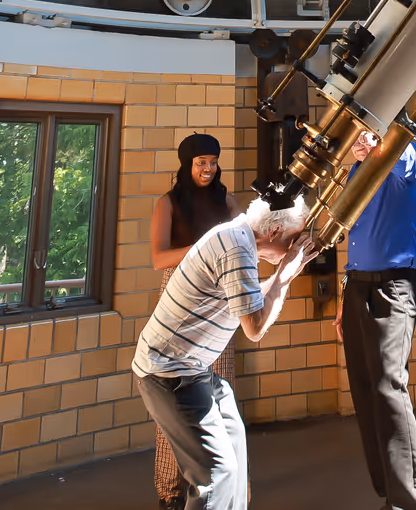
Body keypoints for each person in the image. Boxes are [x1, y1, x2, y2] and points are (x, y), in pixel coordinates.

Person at [134, 195, 314, 510]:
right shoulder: (236, 248)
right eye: (294, 239)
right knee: (216, 475)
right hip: (168, 374)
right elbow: (255, 327)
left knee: (235, 462)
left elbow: (253, 299)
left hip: (195, 371)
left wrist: (286, 273)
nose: (293, 247)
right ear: (273, 233)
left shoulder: (237, 235)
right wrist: (285, 275)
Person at [333, 129, 416, 510]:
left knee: (388, 386)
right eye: (354, 135)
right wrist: (345, 290)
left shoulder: (404, 155)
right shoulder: (354, 173)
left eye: (368, 135)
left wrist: (375, 145)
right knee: (363, 388)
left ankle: (412, 502)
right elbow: (356, 235)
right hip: (357, 285)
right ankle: (390, 496)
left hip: (393, 287)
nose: (359, 141)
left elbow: (388, 153)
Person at [149, 134, 242, 509]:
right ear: (187, 164)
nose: (208, 168)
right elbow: (158, 258)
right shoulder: (167, 203)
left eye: (213, 162)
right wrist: (207, 245)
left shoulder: (228, 201)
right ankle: (170, 488)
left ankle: (221, 484)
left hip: (219, 300)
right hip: (179, 297)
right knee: (174, 394)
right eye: (201, 162)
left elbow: (245, 241)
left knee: (217, 395)